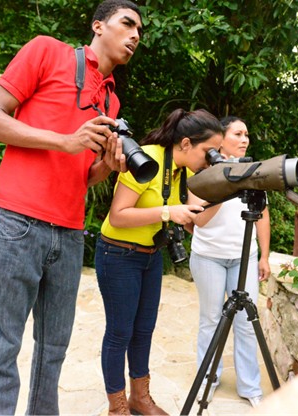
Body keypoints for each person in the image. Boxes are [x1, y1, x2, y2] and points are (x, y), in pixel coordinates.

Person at [0, 1, 143, 414]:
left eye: (140, 30)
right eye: (127, 23)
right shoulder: (47, 51)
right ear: (98, 25)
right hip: (18, 221)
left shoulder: (111, 103)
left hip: (69, 232)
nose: (136, 35)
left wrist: (109, 166)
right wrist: (63, 140)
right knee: (1, 350)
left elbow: (84, 176)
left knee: (53, 353)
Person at [95, 108, 224, 415]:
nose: (211, 158)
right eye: (209, 151)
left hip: (150, 257)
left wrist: (226, 189)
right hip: (118, 254)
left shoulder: (187, 171)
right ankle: (117, 407)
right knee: (120, 332)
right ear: (186, 144)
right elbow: (118, 215)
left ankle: (140, 398)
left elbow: (199, 220)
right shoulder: (146, 158)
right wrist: (168, 213)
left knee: (144, 330)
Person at [188, 116, 271, 408]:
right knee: (211, 320)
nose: (245, 139)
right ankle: (208, 379)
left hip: (244, 257)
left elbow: (262, 214)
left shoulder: (254, 171)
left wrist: (265, 254)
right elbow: (198, 220)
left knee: (246, 322)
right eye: (238, 133)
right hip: (208, 257)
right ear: (221, 138)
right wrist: (222, 185)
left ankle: (250, 386)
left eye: (247, 134)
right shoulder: (201, 172)